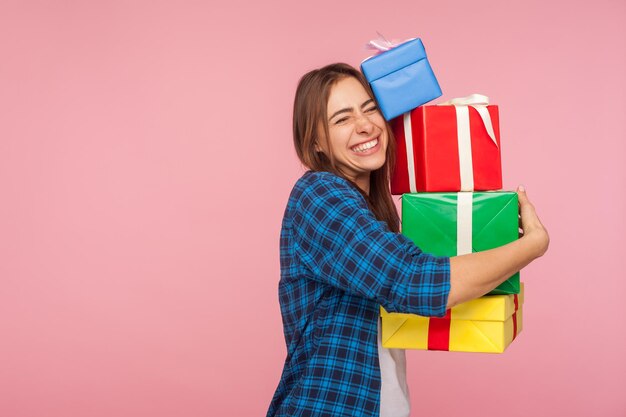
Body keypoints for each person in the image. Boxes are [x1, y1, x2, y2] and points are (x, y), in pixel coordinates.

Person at [266, 63, 549, 417]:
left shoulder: (372, 214)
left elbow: (427, 279)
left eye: (370, 108)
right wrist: (530, 247)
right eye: (342, 119)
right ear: (315, 142)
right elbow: (414, 281)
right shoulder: (319, 194)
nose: (365, 125)